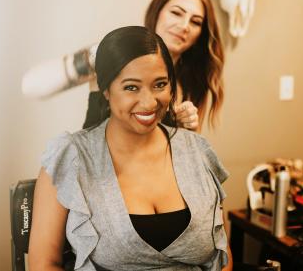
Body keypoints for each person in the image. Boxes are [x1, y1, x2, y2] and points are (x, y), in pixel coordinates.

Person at [29, 26, 230, 271]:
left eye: (160, 84)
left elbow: (223, 257)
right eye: (131, 87)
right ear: (105, 90)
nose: (148, 103)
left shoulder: (197, 151)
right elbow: (43, 264)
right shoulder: (70, 157)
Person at [83, 0, 224, 132]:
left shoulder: (190, 83)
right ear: (157, 12)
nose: (184, 26)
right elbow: (92, 138)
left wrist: (186, 131)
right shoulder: (114, 59)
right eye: (176, 13)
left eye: (195, 22)